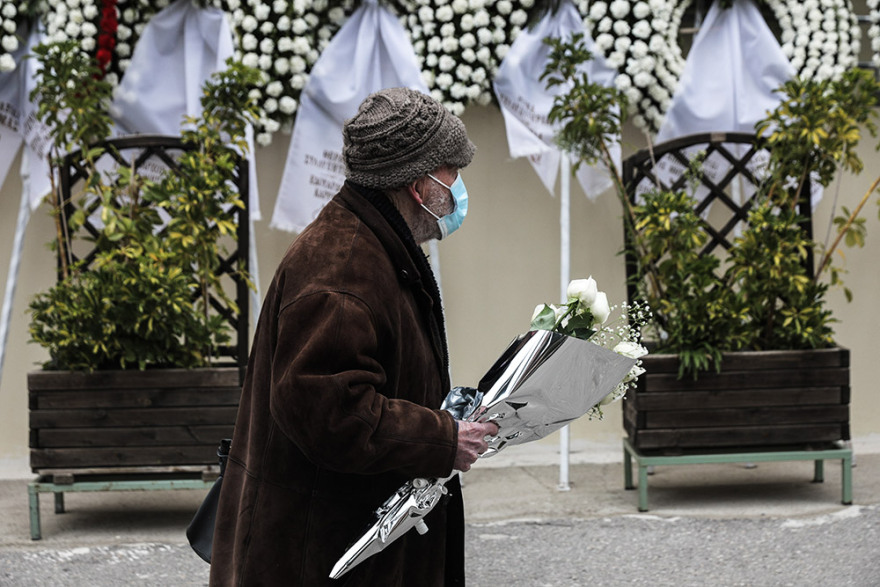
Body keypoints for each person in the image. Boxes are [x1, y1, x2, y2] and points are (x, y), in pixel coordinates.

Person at [209, 87, 499, 586]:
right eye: (452, 171)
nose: (457, 187)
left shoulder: (372, 244)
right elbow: (331, 411)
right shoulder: (342, 271)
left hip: (343, 542)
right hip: (320, 553)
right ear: (417, 184)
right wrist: (440, 437)